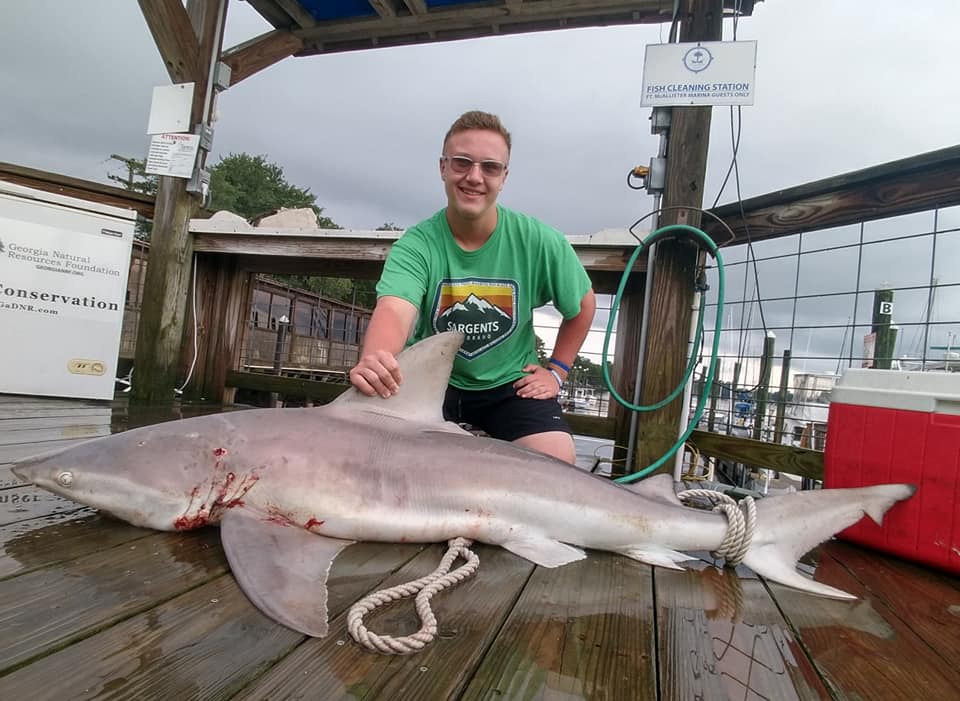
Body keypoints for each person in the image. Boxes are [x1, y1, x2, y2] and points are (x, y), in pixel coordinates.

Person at [349, 110, 596, 463]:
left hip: (510, 385)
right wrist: (376, 359)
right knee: (371, 457)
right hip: (430, 381)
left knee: (557, 458)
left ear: (504, 177)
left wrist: (557, 371)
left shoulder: (539, 240)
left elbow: (582, 306)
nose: (474, 177)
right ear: (443, 168)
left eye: (490, 167)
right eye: (462, 163)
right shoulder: (417, 244)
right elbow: (394, 309)